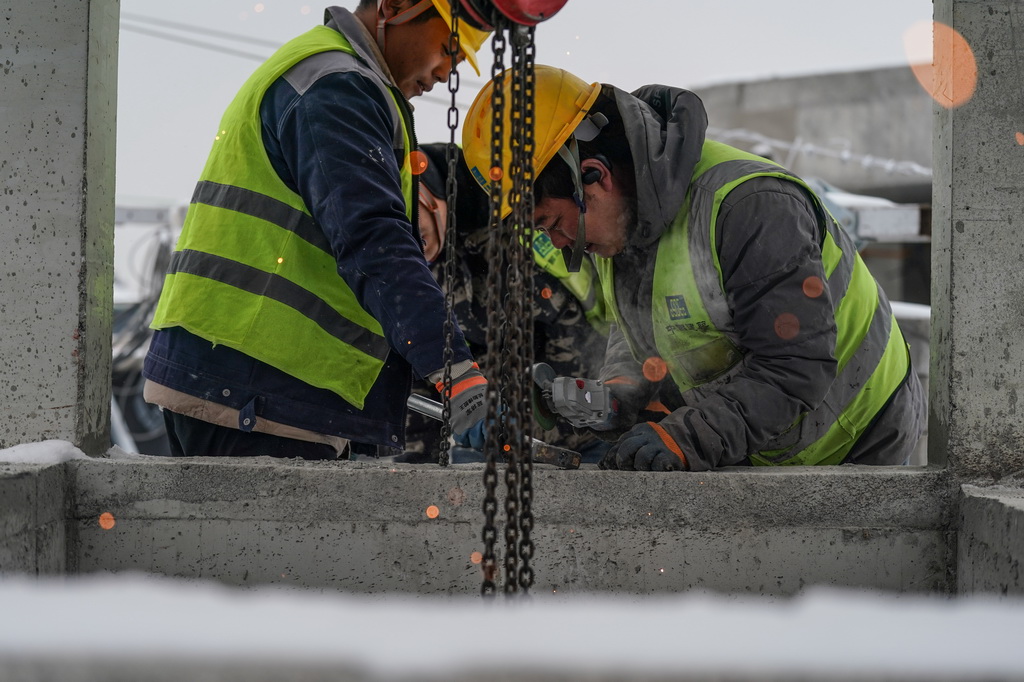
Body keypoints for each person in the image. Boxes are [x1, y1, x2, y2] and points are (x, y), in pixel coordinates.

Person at [462, 66, 926, 471]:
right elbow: (646, 327)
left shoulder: (750, 206)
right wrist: (617, 394)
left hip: (861, 432)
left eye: (553, 224)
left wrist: (689, 437)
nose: (560, 244)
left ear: (594, 177)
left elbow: (794, 365)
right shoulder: (623, 222)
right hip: (776, 438)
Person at [142, 1, 493, 460]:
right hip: (256, 390)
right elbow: (373, 239)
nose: (447, 72)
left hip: (247, 384)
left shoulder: (325, 76)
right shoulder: (337, 87)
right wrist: (459, 374)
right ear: (397, 7)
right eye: (448, 48)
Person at [401, 142, 611, 463]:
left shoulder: (523, 238)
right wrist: (417, 461)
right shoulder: (416, 278)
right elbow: (423, 367)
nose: (414, 242)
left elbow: (572, 334)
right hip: (488, 446)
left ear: (432, 199)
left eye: (417, 226)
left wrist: (552, 426)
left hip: (576, 439)